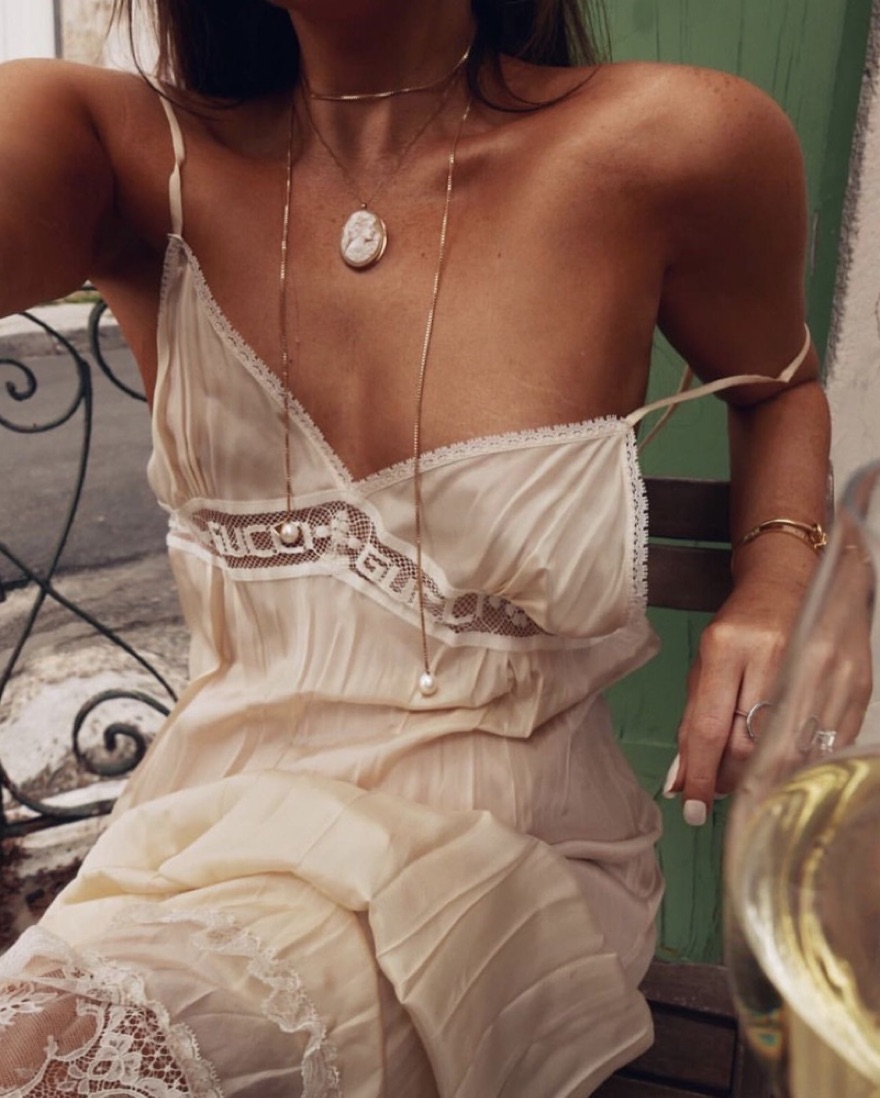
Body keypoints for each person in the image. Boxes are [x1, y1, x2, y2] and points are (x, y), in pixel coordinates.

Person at [0, 0, 831, 1094]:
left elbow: (781, 389)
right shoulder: (122, 151)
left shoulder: (673, 142)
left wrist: (782, 578)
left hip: (505, 852)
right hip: (197, 829)